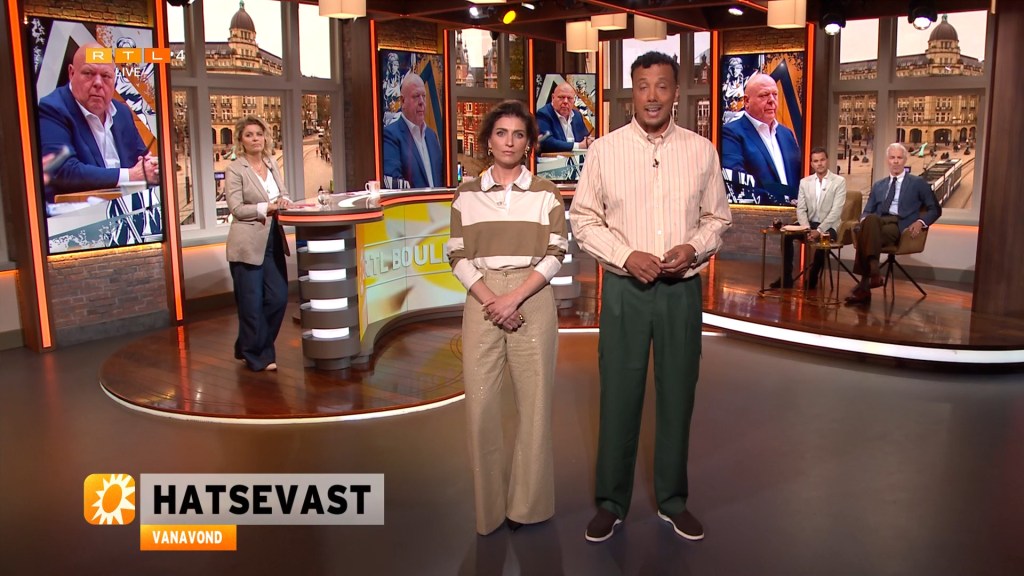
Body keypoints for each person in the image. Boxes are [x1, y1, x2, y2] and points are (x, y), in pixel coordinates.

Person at [569, 51, 731, 543]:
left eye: (662, 85)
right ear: (632, 94)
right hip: (625, 291)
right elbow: (583, 219)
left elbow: (717, 219)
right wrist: (625, 255)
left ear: (676, 92)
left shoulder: (701, 151)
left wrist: (694, 247)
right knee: (619, 395)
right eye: (643, 86)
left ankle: (672, 500)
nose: (652, 96)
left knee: (678, 395)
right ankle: (611, 502)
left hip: (681, 292)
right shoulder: (605, 151)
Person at [446, 100, 567, 536]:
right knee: (480, 409)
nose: (509, 142)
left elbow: (557, 251)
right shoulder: (466, 194)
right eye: (501, 133)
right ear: (488, 141)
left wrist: (514, 298)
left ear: (529, 142)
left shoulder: (546, 193)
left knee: (535, 408)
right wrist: (491, 300)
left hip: (532, 297)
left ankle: (527, 507)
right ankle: (489, 510)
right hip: (482, 298)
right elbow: (456, 254)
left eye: (518, 134)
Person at [37, 43, 159, 203]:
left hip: (127, 207)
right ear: (71, 73)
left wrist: (152, 166)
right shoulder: (53, 109)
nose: (98, 83)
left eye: (106, 76)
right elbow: (62, 170)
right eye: (88, 73)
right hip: (79, 212)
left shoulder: (122, 113)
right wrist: (130, 175)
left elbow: (141, 158)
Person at [224, 115, 292, 372]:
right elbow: (236, 208)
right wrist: (267, 207)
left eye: (259, 134)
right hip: (246, 244)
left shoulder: (271, 163)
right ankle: (257, 356)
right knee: (251, 304)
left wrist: (284, 201)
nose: (255, 139)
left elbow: (283, 193)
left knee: (278, 298)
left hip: (273, 238)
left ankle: (247, 344)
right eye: (249, 135)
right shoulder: (235, 169)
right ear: (241, 140)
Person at [844, 143, 940, 305]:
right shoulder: (879, 185)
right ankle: (874, 273)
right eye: (892, 157)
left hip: (899, 224)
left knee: (866, 230)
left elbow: (935, 209)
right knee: (870, 220)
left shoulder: (918, 183)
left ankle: (865, 284)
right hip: (878, 224)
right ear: (887, 160)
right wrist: (865, 221)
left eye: (899, 158)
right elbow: (866, 212)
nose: (895, 161)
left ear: (905, 160)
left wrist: (921, 222)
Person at [772, 147, 847, 289]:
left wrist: (819, 230)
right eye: (816, 161)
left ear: (827, 161)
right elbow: (801, 209)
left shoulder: (839, 181)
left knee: (824, 239)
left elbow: (836, 211)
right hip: (808, 224)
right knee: (786, 235)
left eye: (822, 160)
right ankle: (786, 277)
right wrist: (806, 229)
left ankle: (813, 278)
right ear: (812, 164)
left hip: (828, 226)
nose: (819, 164)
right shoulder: (805, 182)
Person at [720, 73, 801, 204]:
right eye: (764, 95)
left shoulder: (787, 135)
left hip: (794, 214)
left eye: (775, 94)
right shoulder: (731, 133)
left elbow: (799, 177)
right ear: (747, 101)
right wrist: (783, 196)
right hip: (757, 214)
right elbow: (737, 182)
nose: (772, 100)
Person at [382, 73, 443, 189]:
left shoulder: (431, 136)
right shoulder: (391, 136)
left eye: (423, 96)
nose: (421, 102)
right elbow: (394, 185)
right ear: (402, 101)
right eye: (416, 96)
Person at [536, 82, 594, 153]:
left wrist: (589, 140)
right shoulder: (543, 114)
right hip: (553, 159)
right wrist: (579, 146)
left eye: (569, 98)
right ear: (553, 98)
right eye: (561, 97)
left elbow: (585, 138)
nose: (565, 101)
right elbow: (546, 142)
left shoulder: (577, 115)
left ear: (574, 100)